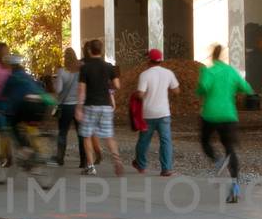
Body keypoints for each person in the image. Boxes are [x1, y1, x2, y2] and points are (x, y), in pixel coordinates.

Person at [196, 44, 251, 204]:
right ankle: (235, 188)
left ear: (212, 56)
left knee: (205, 142)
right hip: (229, 115)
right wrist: (232, 90)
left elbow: (202, 88)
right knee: (230, 149)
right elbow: (247, 88)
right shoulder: (231, 71)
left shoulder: (208, 71)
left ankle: (218, 161)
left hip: (210, 114)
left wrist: (202, 88)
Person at [76, 39, 124, 176]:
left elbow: (81, 89)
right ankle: (117, 159)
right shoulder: (109, 67)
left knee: (87, 135)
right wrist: (107, 87)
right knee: (109, 135)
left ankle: (90, 166)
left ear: (90, 51)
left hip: (91, 106)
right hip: (106, 106)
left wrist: (79, 108)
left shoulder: (85, 68)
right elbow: (117, 85)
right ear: (101, 50)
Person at [0, 52, 53, 162]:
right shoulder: (28, 76)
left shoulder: (12, 78)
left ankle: (26, 149)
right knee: (31, 127)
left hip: (27, 105)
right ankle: (37, 154)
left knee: (13, 124)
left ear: (12, 66)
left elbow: (3, 96)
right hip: (41, 105)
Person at [133, 49, 179, 176]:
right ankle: (166, 169)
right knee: (166, 141)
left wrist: (137, 95)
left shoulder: (145, 74)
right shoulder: (168, 73)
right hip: (164, 113)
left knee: (144, 140)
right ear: (161, 60)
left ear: (149, 60)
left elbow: (141, 94)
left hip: (148, 113)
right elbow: (176, 90)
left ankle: (141, 165)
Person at [53, 47, 88, 168]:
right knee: (81, 134)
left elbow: (59, 90)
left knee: (63, 132)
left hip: (66, 106)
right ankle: (83, 160)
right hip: (79, 106)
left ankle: (60, 158)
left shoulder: (62, 72)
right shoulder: (81, 70)